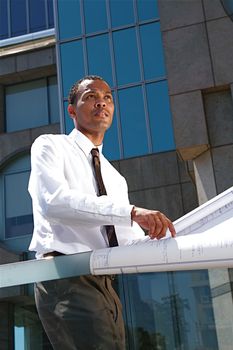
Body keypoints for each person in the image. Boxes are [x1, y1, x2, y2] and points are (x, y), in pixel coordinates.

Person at [28, 75, 176, 350]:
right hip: (65, 275)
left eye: (107, 97)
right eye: (91, 96)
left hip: (105, 281)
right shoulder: (50, 146)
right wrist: (131, 211)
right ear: (71, 110)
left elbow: (127, 239)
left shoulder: (115, 177)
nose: (101, 102)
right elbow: (55, 203)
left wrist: (175, 235)